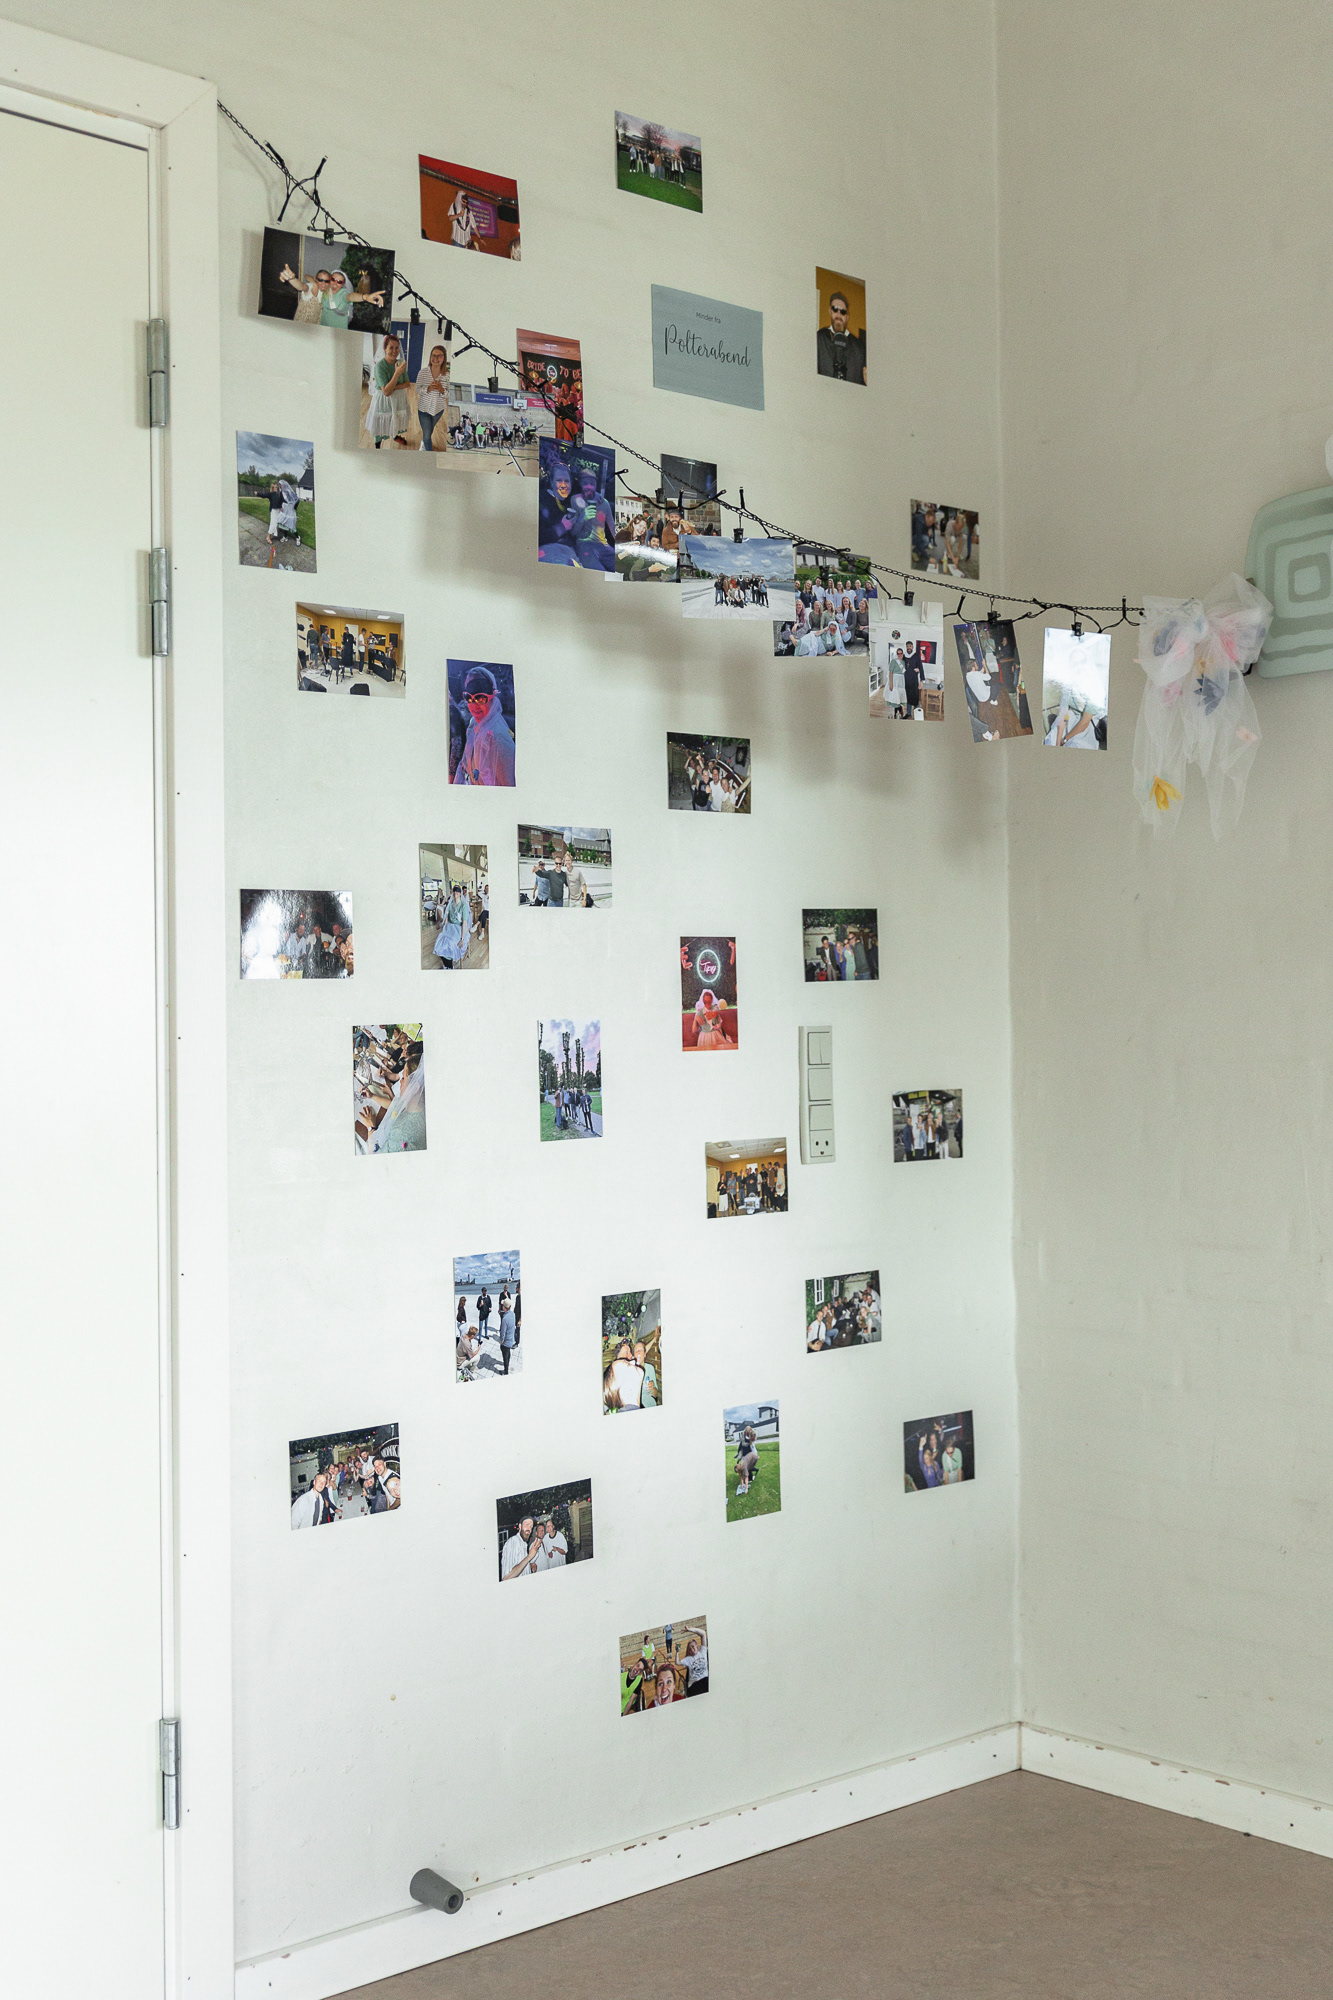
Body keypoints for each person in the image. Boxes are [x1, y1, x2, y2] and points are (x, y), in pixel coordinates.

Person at [454, 665, 516, 786]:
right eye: (469, 698)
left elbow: (509, 786)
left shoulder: (498, 739)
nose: (474, 705)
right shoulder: (474, 723)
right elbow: (464, 764)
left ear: (492, 697)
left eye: (481, 698)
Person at [367, 332, 409, 446]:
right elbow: (386, 392)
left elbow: (407, 384)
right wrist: (397, 373)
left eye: (397, 348)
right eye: (391, 347)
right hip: (383, 401)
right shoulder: (380, 366)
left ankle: (395, 435)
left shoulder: (400, 363)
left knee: (395, 419)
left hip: (398, 399)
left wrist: (393, 387)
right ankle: (377, 446)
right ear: (385, 349)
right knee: (380, 424)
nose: (394, 351)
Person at [816, 289, 866, 384]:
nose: (838, 314)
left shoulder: (859, 347)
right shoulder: (819, 338)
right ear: (830, 311)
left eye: (843, 311)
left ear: (847, 317)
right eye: (835, 309)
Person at [415, 343, 449, 451]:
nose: (436, 358)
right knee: (427, 434)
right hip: (423, 409)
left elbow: (448, 394)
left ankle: (424, 442)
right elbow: (417, 389)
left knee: (429, 430)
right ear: (430, 357)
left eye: (439, 356)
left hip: (438, 409)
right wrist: (428, 388)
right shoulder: (423, 372)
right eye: (434, 355)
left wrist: (441, 389)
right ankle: (428, 452)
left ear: (444, 358)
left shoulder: (447, 375)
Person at [433, 881, 472, 968]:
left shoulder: (463, 905)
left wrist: (462, 939)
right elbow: (447, 918)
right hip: (450, 927)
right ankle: (447, 965)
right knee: (439, 942)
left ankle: (449, 966)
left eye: (457, 891)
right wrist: (443, 925)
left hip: (459, 929)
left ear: (460, 893)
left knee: (451, 944)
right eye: (454, 891)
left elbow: (464, 922)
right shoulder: (450, 904)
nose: (455, 893)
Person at [500, 1515, 541, 1580]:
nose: (529, 1529)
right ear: (520, 1526)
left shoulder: (523, 1544)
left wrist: (529, 1566)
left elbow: (519, 1565)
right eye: (527, 1524)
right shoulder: (513, 1542)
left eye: (531, 1527)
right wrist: (529, 1557)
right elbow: (506, 1577)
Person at [681, 1627, 709, 1696]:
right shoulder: (689, 1660)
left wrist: (690, 1629)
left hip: (705, 1682)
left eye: (693, 1646)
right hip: (695, 1687)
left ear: (697, 1645)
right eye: (690, 1648)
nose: (692, 1649)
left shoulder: (703, 1652)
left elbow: (703, 1633)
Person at [733, 1423, 758, 1496]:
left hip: (750, 1454)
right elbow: (741, 1446)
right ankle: (751, 1475)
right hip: (744, 1454)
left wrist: (746, 1488)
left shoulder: (751, 1436)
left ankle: (751, 1476)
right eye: (746, 1430)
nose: (747, 1431)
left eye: (748, 1430)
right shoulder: (743, 1436)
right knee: (746, 1468)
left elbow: (752, 1444)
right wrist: (738, 1454)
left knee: (748, 1468)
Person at [634, 1339, 659, 1407]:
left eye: (640, 1350)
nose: (638, 1352)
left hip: (649, 1405)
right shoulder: (631, 1369)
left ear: (645, 1354)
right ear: (634, 1355)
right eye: (636, 1350)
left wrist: (652, 1389)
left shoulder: (650, 1368)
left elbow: (655, 1394)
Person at [498, 1300, 517, 1375]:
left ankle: (506, 1372)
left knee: (505, 1357)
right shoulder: (513, 1314)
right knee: (508, 1354)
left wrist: (501, 1340)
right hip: (511, 1339)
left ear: (504, 1307)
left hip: (506, 1342)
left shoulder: (504, 1318)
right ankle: (507, 1366)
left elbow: (503, 1332)